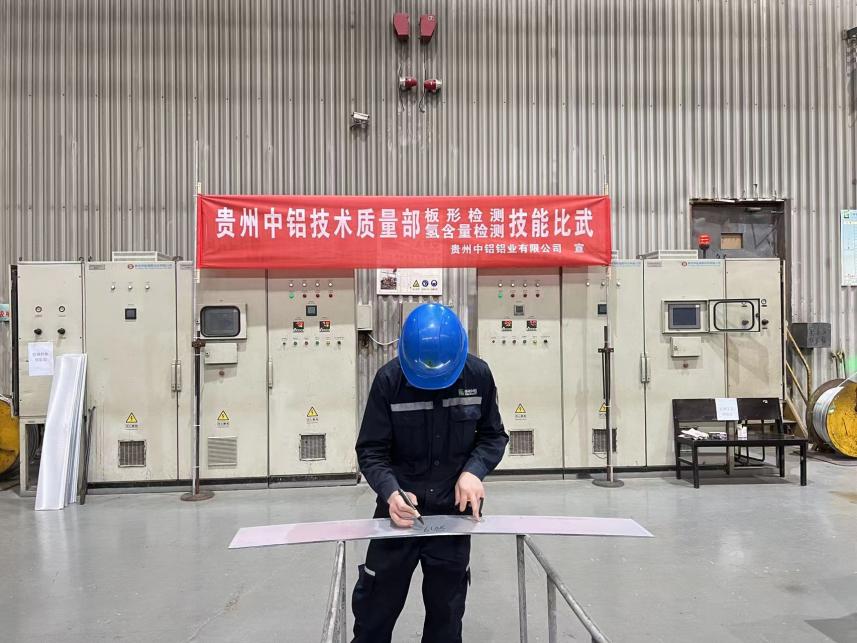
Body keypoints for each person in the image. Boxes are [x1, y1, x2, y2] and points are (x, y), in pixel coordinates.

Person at [352, 303, 508, 643]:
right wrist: (391, 492)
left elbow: (493, 435)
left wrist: (474, 472)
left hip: (453, 515)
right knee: (375, 612)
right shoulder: (389, 381)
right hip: (399, 513)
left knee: (446, 617)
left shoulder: (478, 376)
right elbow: (371, 451)